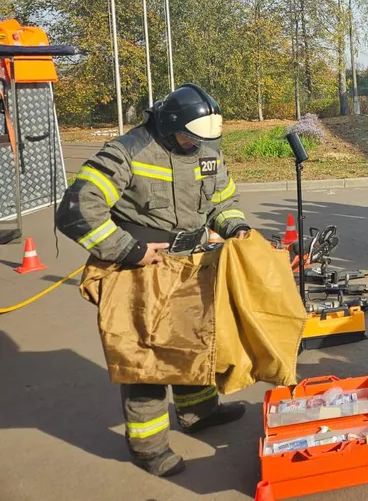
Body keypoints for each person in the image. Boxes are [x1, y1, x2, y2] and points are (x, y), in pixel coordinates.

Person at [55, 84, 252, 477]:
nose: (195, 145)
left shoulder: (205, 149)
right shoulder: (128, 152)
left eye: (202, 140)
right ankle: (148, 446)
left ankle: (198, 411)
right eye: (188, 137)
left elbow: (222, 202)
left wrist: (237, 228)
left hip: (191, 266)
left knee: (192, 342)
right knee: (145, 358)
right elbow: (78, 209)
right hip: (138, 270)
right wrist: (129, 250)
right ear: (169, 124)